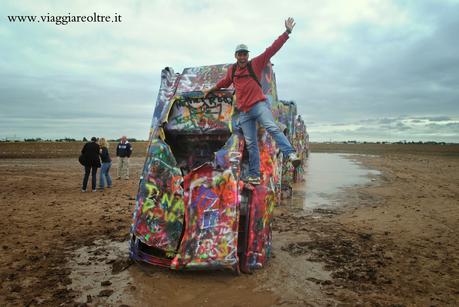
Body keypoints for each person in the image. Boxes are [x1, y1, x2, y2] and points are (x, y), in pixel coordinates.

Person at [204, 17, 301, 185]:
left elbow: (271, 50)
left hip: (259, 105)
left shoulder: (255, 64)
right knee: (251, 144)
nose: (242, 57)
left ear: (247, 56)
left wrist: (287, 32)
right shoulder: (232, 70)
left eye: (245, 54)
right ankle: (254, 175)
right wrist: (211, 90)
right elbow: (224, 83)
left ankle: (291, 154)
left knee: (271, 127)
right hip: (244, 112)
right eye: (240, 54)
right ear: (235, 56)